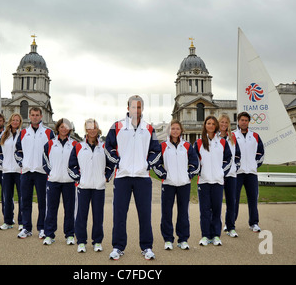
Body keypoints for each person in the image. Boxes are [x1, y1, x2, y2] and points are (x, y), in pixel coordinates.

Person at [105, 95, 166, 260]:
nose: (136, 110)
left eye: (139, 107)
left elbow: (156, 150)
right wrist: (117, 161)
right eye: (133, 107)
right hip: (123, 176)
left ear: (142, 109)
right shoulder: (116, 126)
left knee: (145, 214)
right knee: (119, 214)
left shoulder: (149, 128)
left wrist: (147, 164)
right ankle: (118, 247)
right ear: (128, 108)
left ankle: (146, 247)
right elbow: (108, 146)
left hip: (142, 176)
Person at [68, 119, 115, 253]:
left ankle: (97, 241)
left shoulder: (104, 147)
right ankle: (81, 242)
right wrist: (79, 179)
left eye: (94, 127)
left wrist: (106, 177)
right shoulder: (78, 146)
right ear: (86, 130)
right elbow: (72, 165)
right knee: (82, 216)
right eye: (89, 128)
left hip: (99, 187)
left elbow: (111, 164)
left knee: (98, 216)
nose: (92, 130)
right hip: (83, 186)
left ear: (97, 129)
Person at [15, 107, 54, 239]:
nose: (35, 117)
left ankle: (42, 228)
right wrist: (23, 163)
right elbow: (17, 151)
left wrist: (47, 168)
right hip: (26, 172)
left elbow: (52, 153)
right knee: (25, 201)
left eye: (37, 115)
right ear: (30, 117)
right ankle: (26, 228)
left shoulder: (49, 133)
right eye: (32, 115)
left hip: (42, 173)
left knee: (43, 202)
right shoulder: (23, 132)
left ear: (41, 116)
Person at [160, 119, 199, 250]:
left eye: (177, 128)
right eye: (173, 128)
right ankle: (168, 239)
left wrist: (189, 175)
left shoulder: (187, 146)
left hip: (184, 183)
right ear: (169, 130)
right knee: (166, 212)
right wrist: (163, 175)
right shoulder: (163, 146)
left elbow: (195, 163)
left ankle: (183, 239)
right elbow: (156, 164)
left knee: (183, 212)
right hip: (168, 183)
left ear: (181, 130)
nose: (175, 131)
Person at [193, 116, 232, 246]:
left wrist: (222, 173)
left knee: (216, 209)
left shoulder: (222, 142)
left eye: (213, 123)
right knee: (204, 210)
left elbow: (228, 159)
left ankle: (216, 235)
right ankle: (205, 235)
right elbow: (194, 161)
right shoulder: (198, 142)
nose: (210, 125)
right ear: (205, 125)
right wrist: (199, 172)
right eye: (208, 123)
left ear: (216, 126)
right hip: (203, 181)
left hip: (217, 181)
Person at [42, 118, 77, 246]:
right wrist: (51, 173)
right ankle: (49, 235)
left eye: (66, 127)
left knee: (69, 209)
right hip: (53, 181)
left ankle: (69, 235)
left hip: (69, 182)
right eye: (61, 127)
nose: (64, 129)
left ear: (69, 129)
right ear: (58, 128)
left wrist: (74, 176)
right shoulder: (50, 144)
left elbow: (78, 163)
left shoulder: (74, 144)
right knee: (51, 209)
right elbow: (45, 161)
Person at [233, 111, 264, 233]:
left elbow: (261, 153)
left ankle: (254, 223)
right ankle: (230, 223)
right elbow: (229, 153)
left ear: (248, 122)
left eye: (246, 120)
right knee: (234, 199)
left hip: (251, 173)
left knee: (253, 199)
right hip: (237, 173)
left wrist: (254, 164)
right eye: (242, 120)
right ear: (238, 121)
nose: (244, 122)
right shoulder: (233, 135)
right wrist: (235, 166)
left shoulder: (255, 136)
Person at [0, 113, 23, 231]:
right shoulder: (3, 135)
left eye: (17, 120)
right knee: (7, 197)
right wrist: (3, 163)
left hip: (19, 171)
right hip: (7, 171)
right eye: (13, 120)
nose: (15, 122)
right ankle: (8, 221)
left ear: (20, 122)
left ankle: (22, 222)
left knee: (22, 197)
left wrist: (22, 164)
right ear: (10, 121)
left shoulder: (23, 135)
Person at [218, 114, 241, 238]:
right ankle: (214, 227)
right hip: (217, 175)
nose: (224, 125)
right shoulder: (213, 137)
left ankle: (230, 226)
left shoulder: (233, 138)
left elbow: (237, 155)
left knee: (231, 202)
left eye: (226, 122)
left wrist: (235, 167)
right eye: (222, 122)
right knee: (216, 203)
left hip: (231, 174)